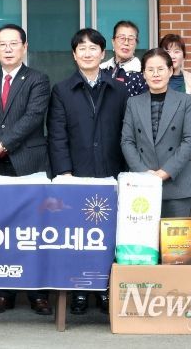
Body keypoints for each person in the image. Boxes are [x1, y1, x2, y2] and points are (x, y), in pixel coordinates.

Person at [47, 28, 128, 314]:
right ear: (74, 55)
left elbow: (126, 133)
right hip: (76, 174)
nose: (87, 53)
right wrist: (64, 172)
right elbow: (57, 135)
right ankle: (79, 291)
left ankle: (105, 289)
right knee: (78, 235)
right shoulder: (62, 90)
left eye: (93, 48)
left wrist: (124, 172)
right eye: (81, 48)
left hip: (110, 172)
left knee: (108, 235)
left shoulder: (118, 90)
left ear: (103, 54)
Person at [0, 24, 53, 316]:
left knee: (33, 231)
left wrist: (1, 145)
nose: (8, 49)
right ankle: (3, 293)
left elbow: (33, 118)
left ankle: (38, 294)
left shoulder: (38, 79)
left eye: (13, 44)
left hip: (29, 164)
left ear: (24, 47)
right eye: (2, 45)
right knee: (0, 231)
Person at [120, 48, 191, 219]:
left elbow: (190, 140)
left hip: (177, 182)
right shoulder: (133, 103)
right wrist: (143, 172)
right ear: (144, 74)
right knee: (142, 234)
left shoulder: (185, 101)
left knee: (175, 236)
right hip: (142, 183)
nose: (155, 74)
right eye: (150, 70)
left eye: (161, 69)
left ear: (170, 71)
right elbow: (127, 141)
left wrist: (165, 172)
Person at [99, 20, 148, 97]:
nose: (126, 43)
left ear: (136, 44)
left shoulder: (143, 73)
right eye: (122, 38)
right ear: (113, 42)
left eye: (131, 39)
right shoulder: (101, 69)